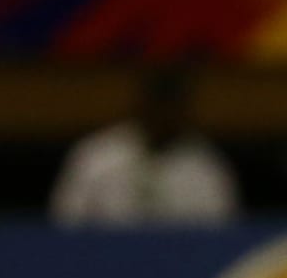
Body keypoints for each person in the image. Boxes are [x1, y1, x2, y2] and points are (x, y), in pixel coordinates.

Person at [48, 70, 239, 226]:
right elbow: (65, 223)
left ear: (185, 113)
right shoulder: (97, 156)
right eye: (159, 108)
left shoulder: (207, 168)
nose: (164, 118)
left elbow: (222, 233)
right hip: (103, 260)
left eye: (172, 110)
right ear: (142, 107)